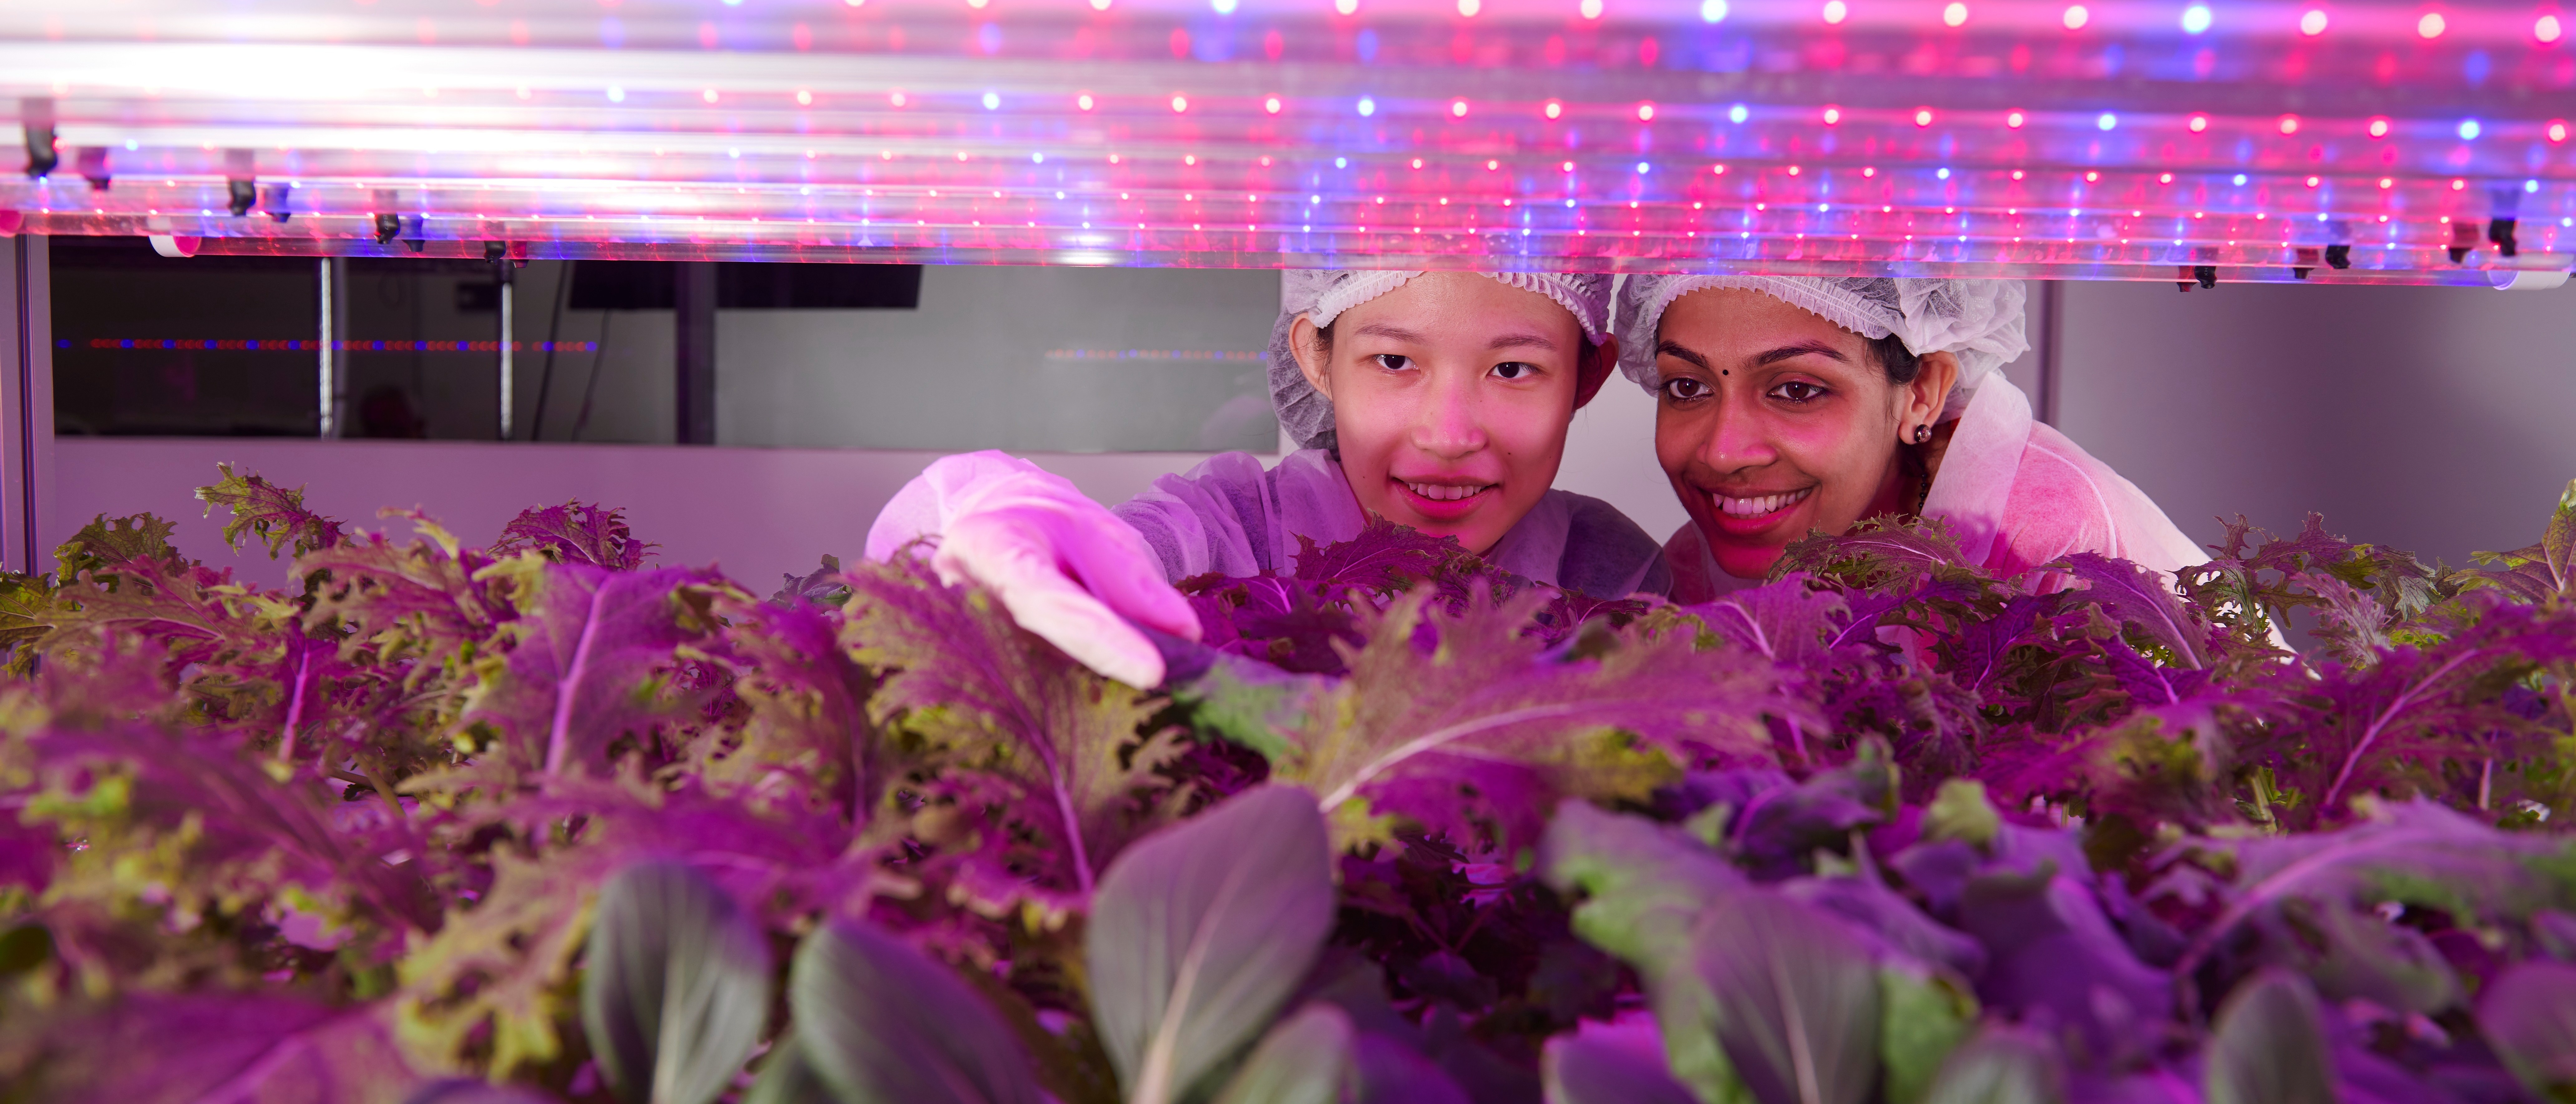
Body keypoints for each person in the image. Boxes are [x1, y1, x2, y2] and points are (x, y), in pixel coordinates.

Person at [867, 270, 1671, 687]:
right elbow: (1118, 556)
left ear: (1586, 378)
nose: (1449, 434)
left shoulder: (1611, 570)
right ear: (1317, 358)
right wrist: (1002, 528)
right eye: (1394, 361)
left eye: (1513, 368)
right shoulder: (1230, 525)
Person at [1615, 276, 2203, 602]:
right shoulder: (1688, 576)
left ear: (1922, 390)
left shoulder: (2047, 542)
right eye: (1688, 386)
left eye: (1796, 390)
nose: (1723, 451)